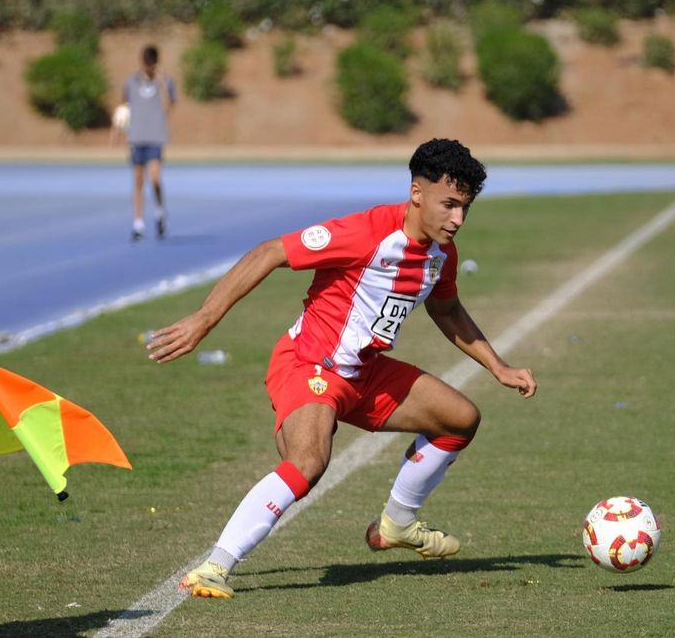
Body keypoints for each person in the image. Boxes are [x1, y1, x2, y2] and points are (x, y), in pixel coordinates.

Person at [144, 138, 538, 599]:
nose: (458, 219)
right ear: (417, 193)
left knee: (461, 420)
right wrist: (204, 318)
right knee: (308, 462)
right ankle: (214, 566)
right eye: (449, 205)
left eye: (466, 208)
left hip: (365, 373)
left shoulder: (440, 256)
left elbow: (447, 311)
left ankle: (397, 525)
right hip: (309, 364)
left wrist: (498, 367)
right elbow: (271, 251)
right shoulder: (366, 233)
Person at [115, 44, 176, 241]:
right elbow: (124, 106)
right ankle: (138, 223)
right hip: (137, 137)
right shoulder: (131, 81)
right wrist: (117, 130)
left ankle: (159, 212)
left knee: (155, 178)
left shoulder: (164, 81)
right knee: (138, 181)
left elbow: (169, 104)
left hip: (155, 137)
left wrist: (161, 82)